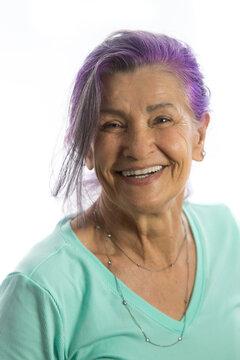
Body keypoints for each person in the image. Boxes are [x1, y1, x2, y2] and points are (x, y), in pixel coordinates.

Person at [0, 30, 239, 360]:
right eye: (112, 124)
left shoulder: (228, 234)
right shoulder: (41, 290)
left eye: (162, 119)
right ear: (85, 147)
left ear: (199, 136)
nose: (139, 148)